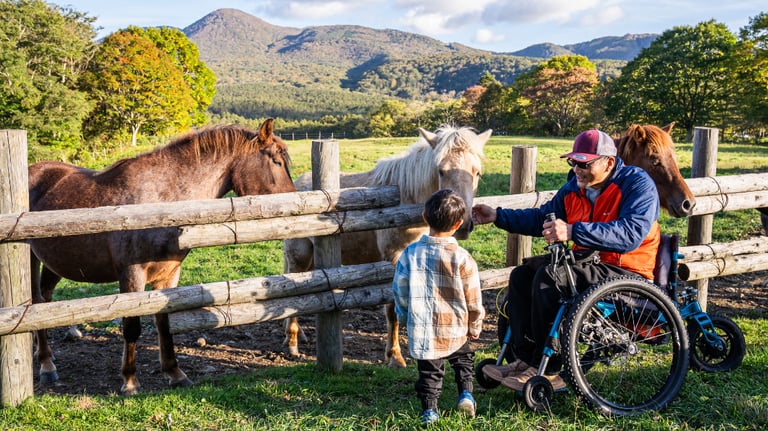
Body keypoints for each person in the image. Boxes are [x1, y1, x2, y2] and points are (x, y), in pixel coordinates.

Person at [471, 129, 661, 391]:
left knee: (549, 278)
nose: (577, 169)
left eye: (584, 163)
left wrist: (574, 231)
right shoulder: (575, 186)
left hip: (626, 269)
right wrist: (497, 216)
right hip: (588, 263)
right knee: (521, 275)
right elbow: (543, 218)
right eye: (573, 162)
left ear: (608, 162)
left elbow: (630, 235)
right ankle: (525, 360)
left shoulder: (637, 184)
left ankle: (551, 368)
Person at [393, 189, 486, 426]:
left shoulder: (409, 254)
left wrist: (403, 315)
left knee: (429, 373)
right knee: (464, 359)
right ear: (458, 224)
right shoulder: (463, 258)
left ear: (424, 217)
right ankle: (465, 393)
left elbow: (400, 290)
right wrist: (474, 324)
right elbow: (473, 299)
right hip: (456, 329)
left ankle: (430, 411)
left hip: (424, 331)